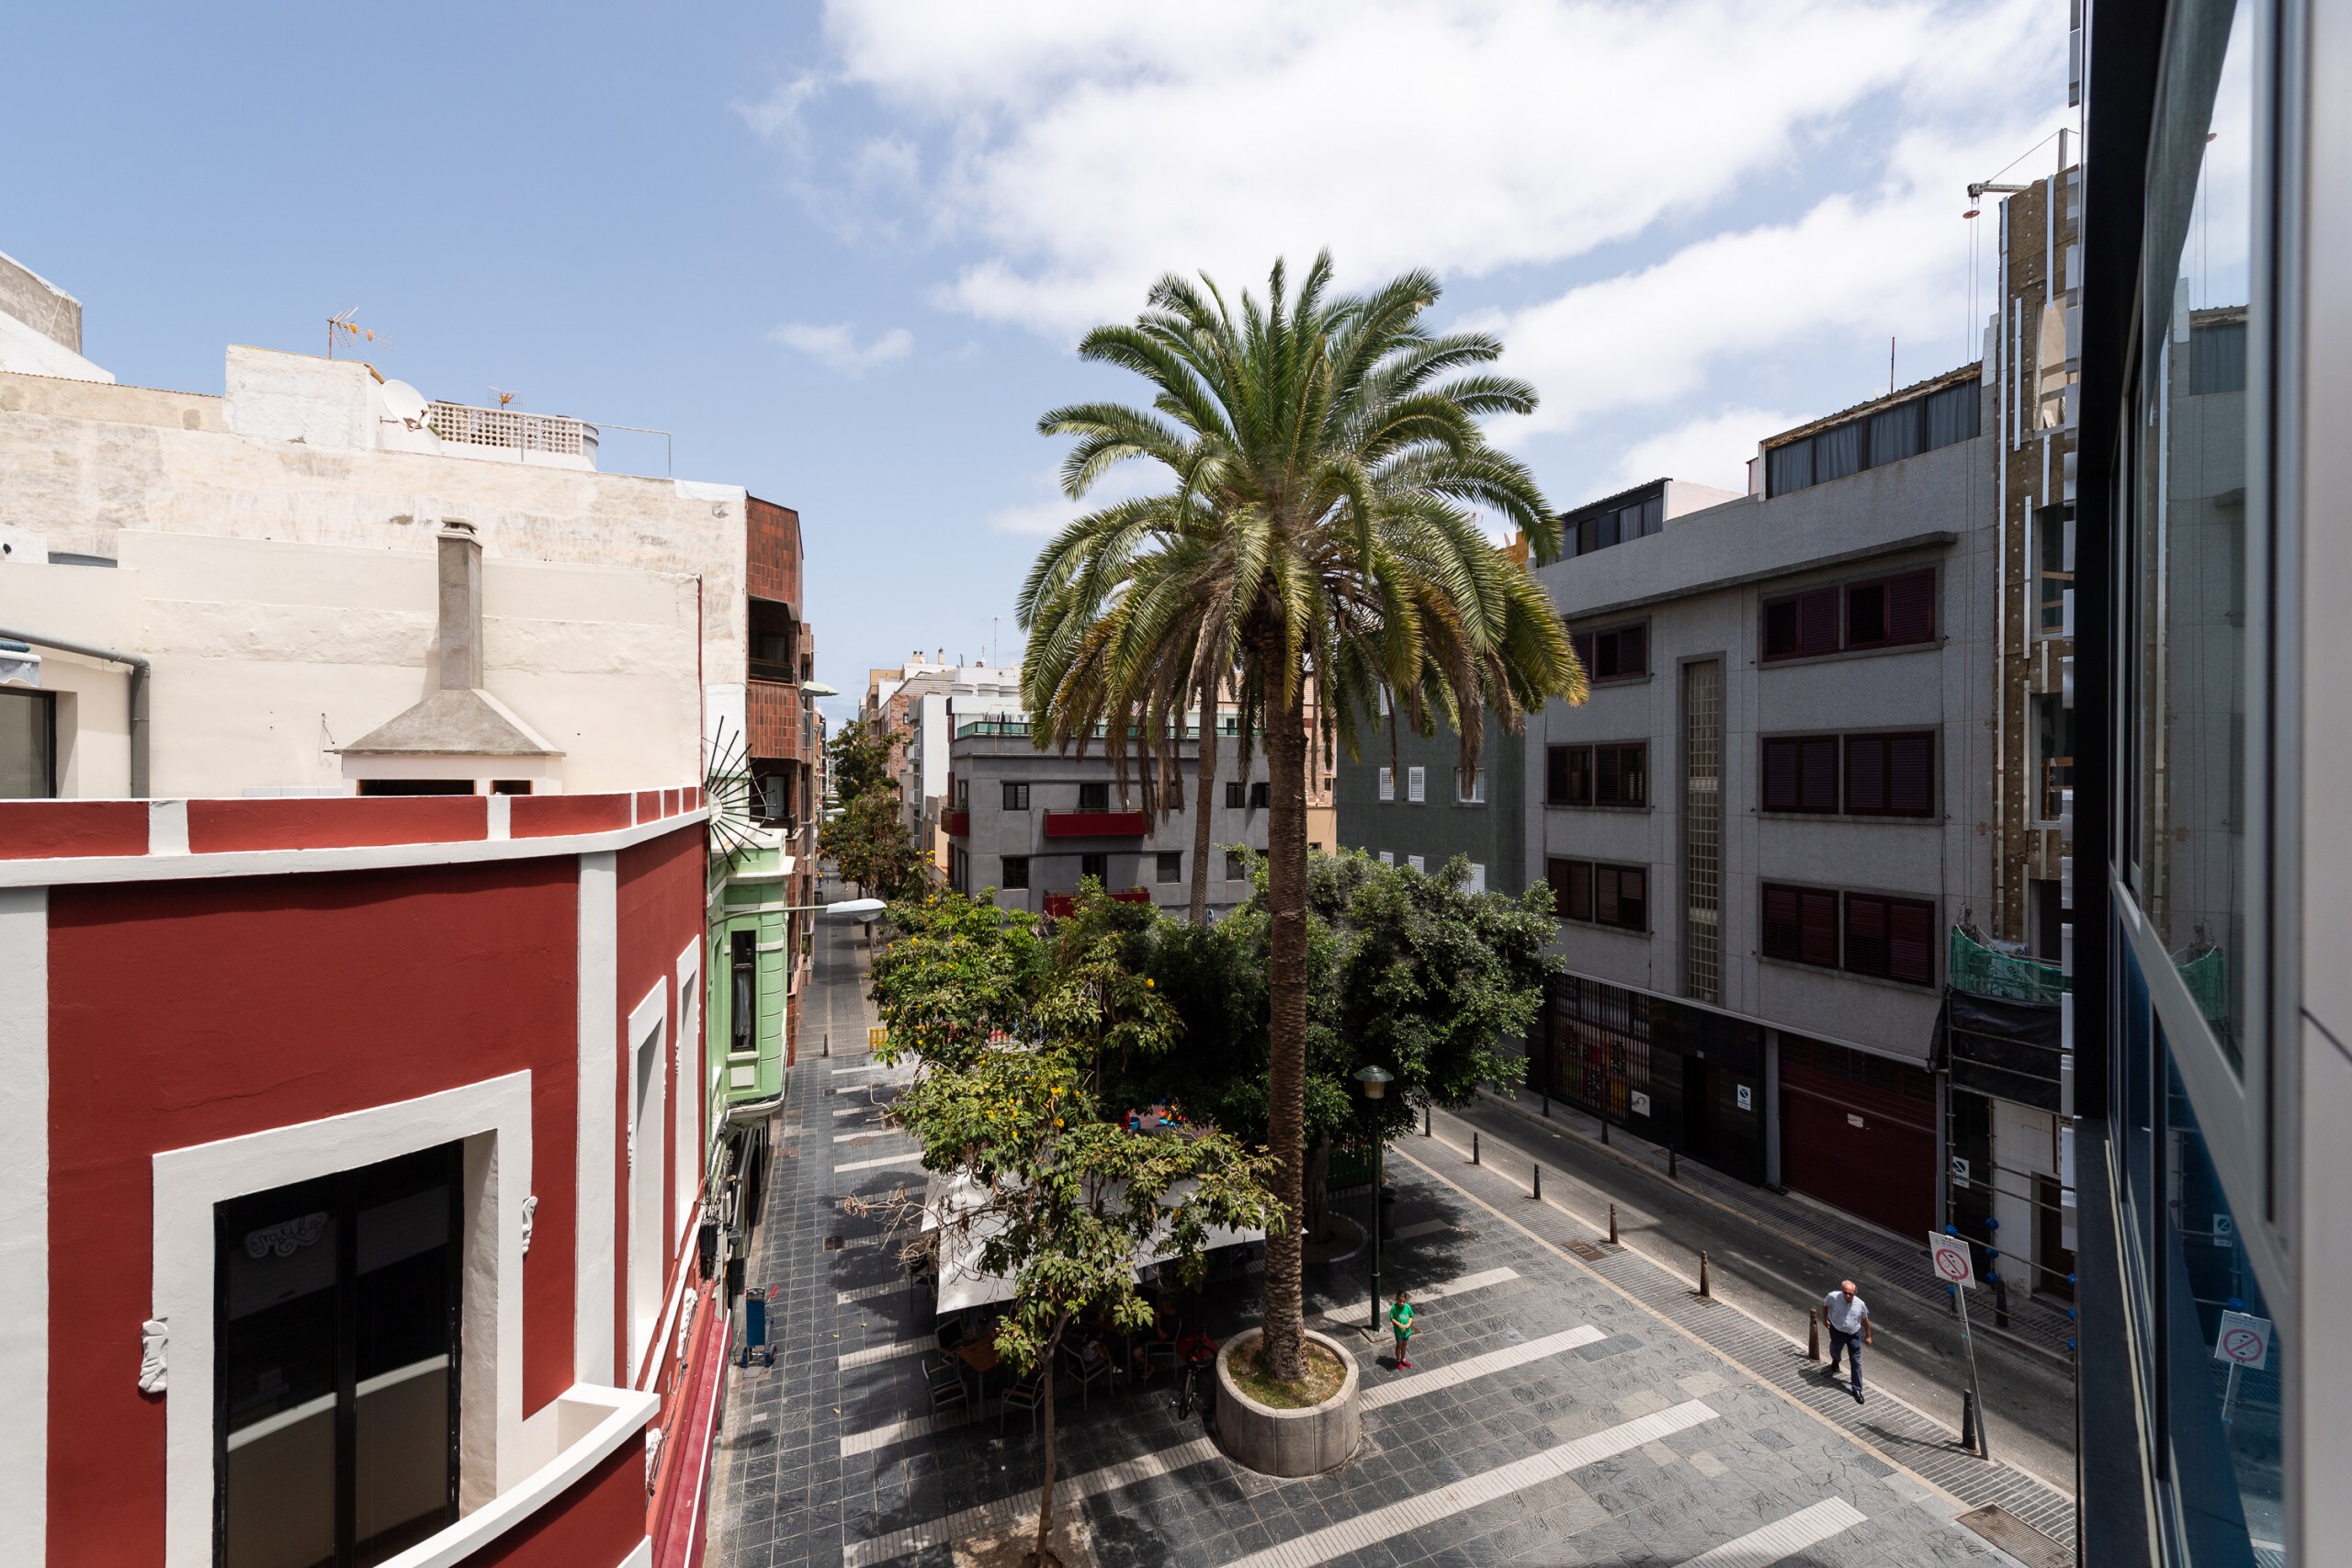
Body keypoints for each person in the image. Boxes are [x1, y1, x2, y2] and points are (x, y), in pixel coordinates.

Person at [1822, 1280, 1871, 1404]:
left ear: (1855, 1293)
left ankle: (1857, 1389)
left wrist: (1868, 1335)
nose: (1848, 1296)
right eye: (1845, 1293)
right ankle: (1835, 1361)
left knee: (1856, 1362)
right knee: (1835, 1350)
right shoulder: (1833, 1297)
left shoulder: (1860, 1304)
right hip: (1837, 1331)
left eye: (1851, 1294)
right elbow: (1825, 1305)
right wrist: (1824, 1319)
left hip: (1853, 1335)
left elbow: (1865, 1320)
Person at [1388, 1291, 1416, 1370]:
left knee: (1404, 1345)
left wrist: (1409, 1324)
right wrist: (1399, 1325)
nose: (1402, 1304)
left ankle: (1403, 1358)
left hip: (1406, 1332)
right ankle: (1398, 1360)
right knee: (1399, 1345)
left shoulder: (1407, 1307)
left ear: (1406, 1300)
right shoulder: (1394, 1308)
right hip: (1399, 1332)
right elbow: (1391, 1318)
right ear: (1396, 1299)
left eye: (1403, 1302)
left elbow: (1411, 1316)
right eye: (1400, 1301)